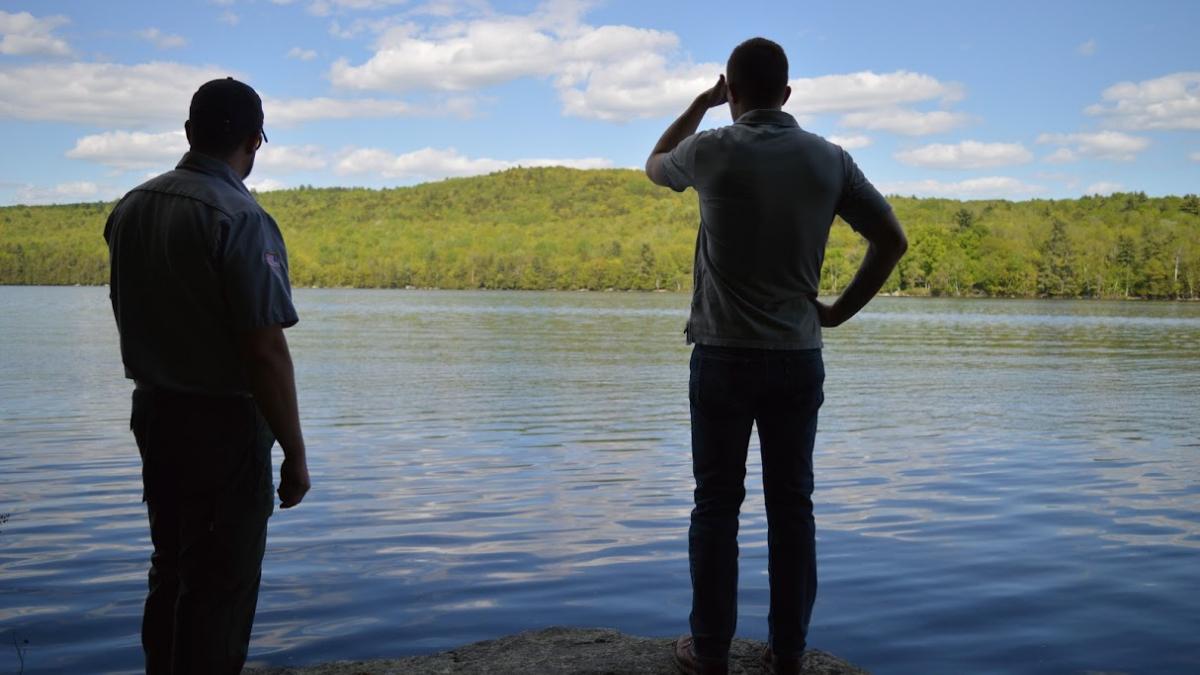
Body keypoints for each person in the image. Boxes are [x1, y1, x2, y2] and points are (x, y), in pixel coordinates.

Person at [645, 38, 907, 675]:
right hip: (796, 357)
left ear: (731, 92)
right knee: (792, 510)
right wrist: (838, 311)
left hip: (721, 360)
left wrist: (700, 104)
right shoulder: (830, 159)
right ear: (788, 94)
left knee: (715, 506)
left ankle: (709, 652)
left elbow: (654, 164)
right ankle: (787, 655)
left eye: (726, 93)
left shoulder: (710, 149)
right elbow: (891, 241)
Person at [103, 77, 311, 674]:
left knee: (170, 569)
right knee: (220, 588)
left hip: (156, 416)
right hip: (223, 428)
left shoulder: (132, 206)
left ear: (189, 133)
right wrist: (294, 454)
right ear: (256, 140)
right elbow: (264, 349)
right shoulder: (242, 217)